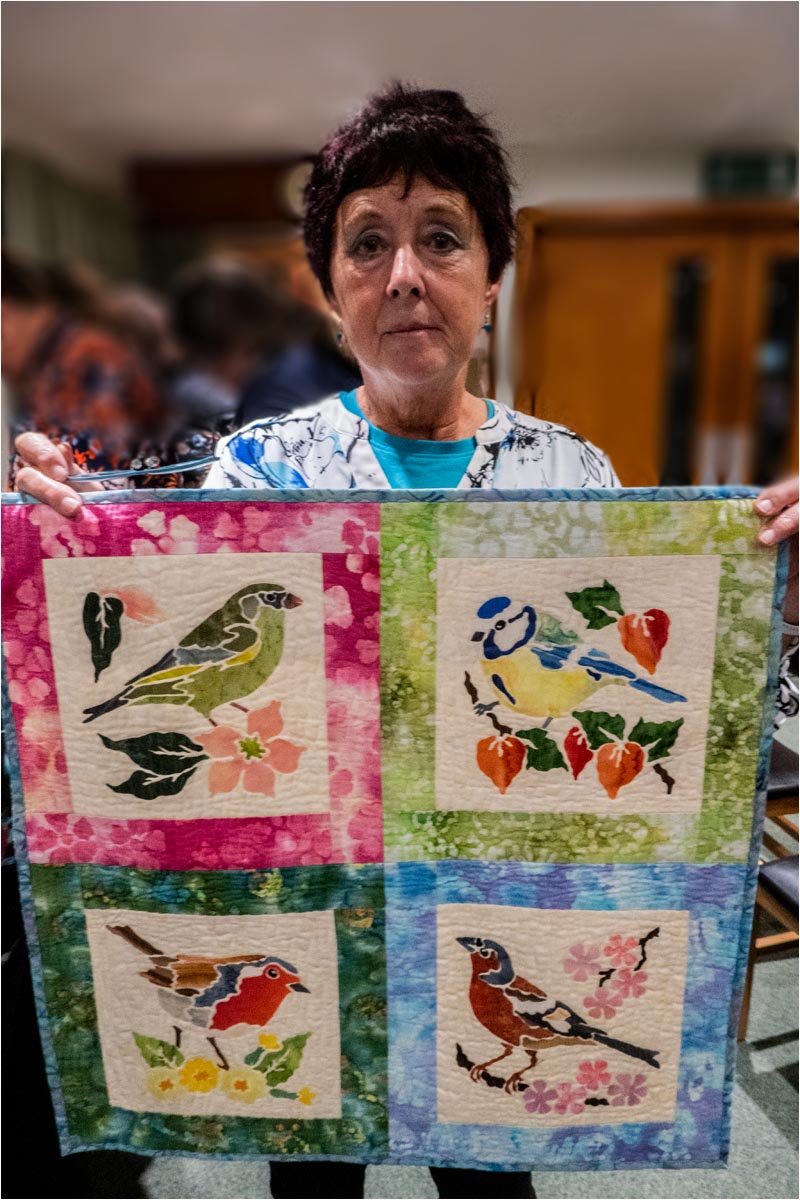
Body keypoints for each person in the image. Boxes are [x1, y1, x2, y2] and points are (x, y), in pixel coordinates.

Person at [13, 83, 799, 1200]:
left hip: (498, 914)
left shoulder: (566, 478)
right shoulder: (259, 473)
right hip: (306, 916)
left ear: (492, 276)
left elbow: (666, 715)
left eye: (440, 239)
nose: (402, 276)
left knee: (485, 1180)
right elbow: (164, 647)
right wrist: (58, 533)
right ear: (329, 290)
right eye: (366, 244)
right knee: (317, 1178)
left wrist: (779, 595)